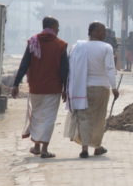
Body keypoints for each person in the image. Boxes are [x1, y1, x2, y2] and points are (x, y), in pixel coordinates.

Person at [12, 16, 68, 159]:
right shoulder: (61, 45)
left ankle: (36, 146)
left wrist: (16, 84)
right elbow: (64, 70)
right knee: (49, 118)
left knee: (36, 116)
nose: (59, 29)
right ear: (53, 27)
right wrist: (66, 89)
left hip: (35, 87)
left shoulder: (33, 41)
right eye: (57, 26)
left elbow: (24, 64)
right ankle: (44, 149)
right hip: (53, 88)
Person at [64, 22, 119, 158]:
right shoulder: (106, 47)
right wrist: (114, 87)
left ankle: (85, 148)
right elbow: (110, 68)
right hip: (101, 87)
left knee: (84, 118)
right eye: (102, 31)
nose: (104, 34)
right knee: (99, 119)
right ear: (93, 31)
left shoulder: (79, 47)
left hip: (83, 88)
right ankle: (97, 146)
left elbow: (71, 68)